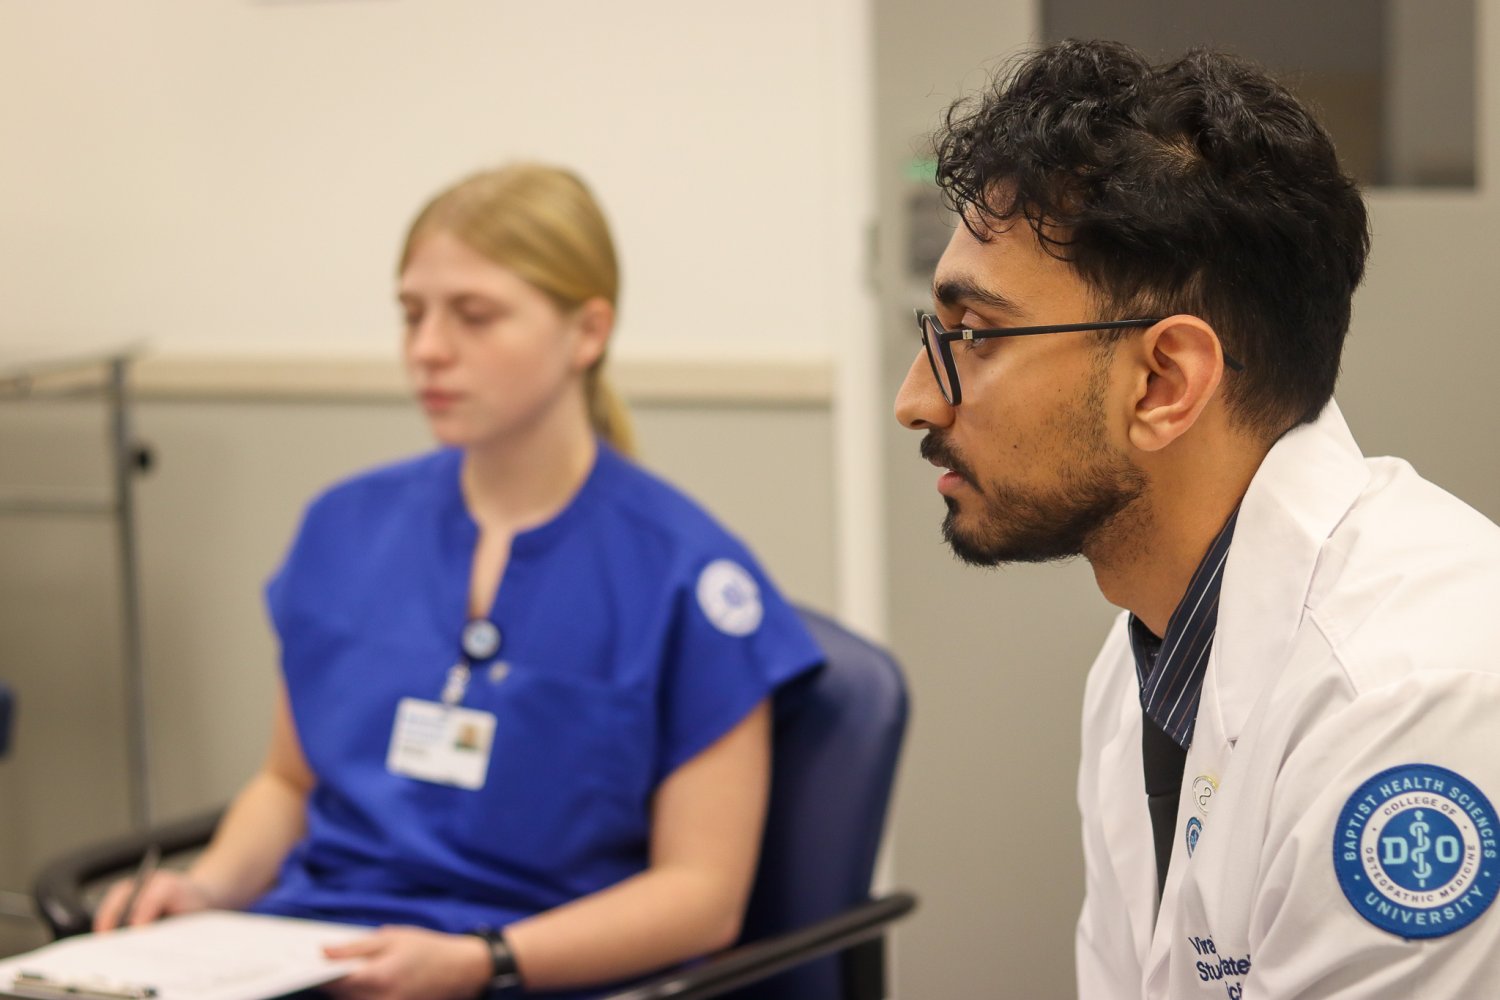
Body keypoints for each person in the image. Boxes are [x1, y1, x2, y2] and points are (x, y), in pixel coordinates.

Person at [93, 163, 823, 999]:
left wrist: (486, 961)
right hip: (311, 961)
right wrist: (210, 889)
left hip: (537, 972)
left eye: (474, 317)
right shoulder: (342, 527)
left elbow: (702, 899)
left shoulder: (689, 578)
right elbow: (290, 782)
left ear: (587, 333)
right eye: (412, 315)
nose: (427, 348)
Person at [895, 39, 1500, 999]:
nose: (917, 402)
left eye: (971, 337)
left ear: (1166, 383)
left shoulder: (1413, 702)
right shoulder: (1147, 647)